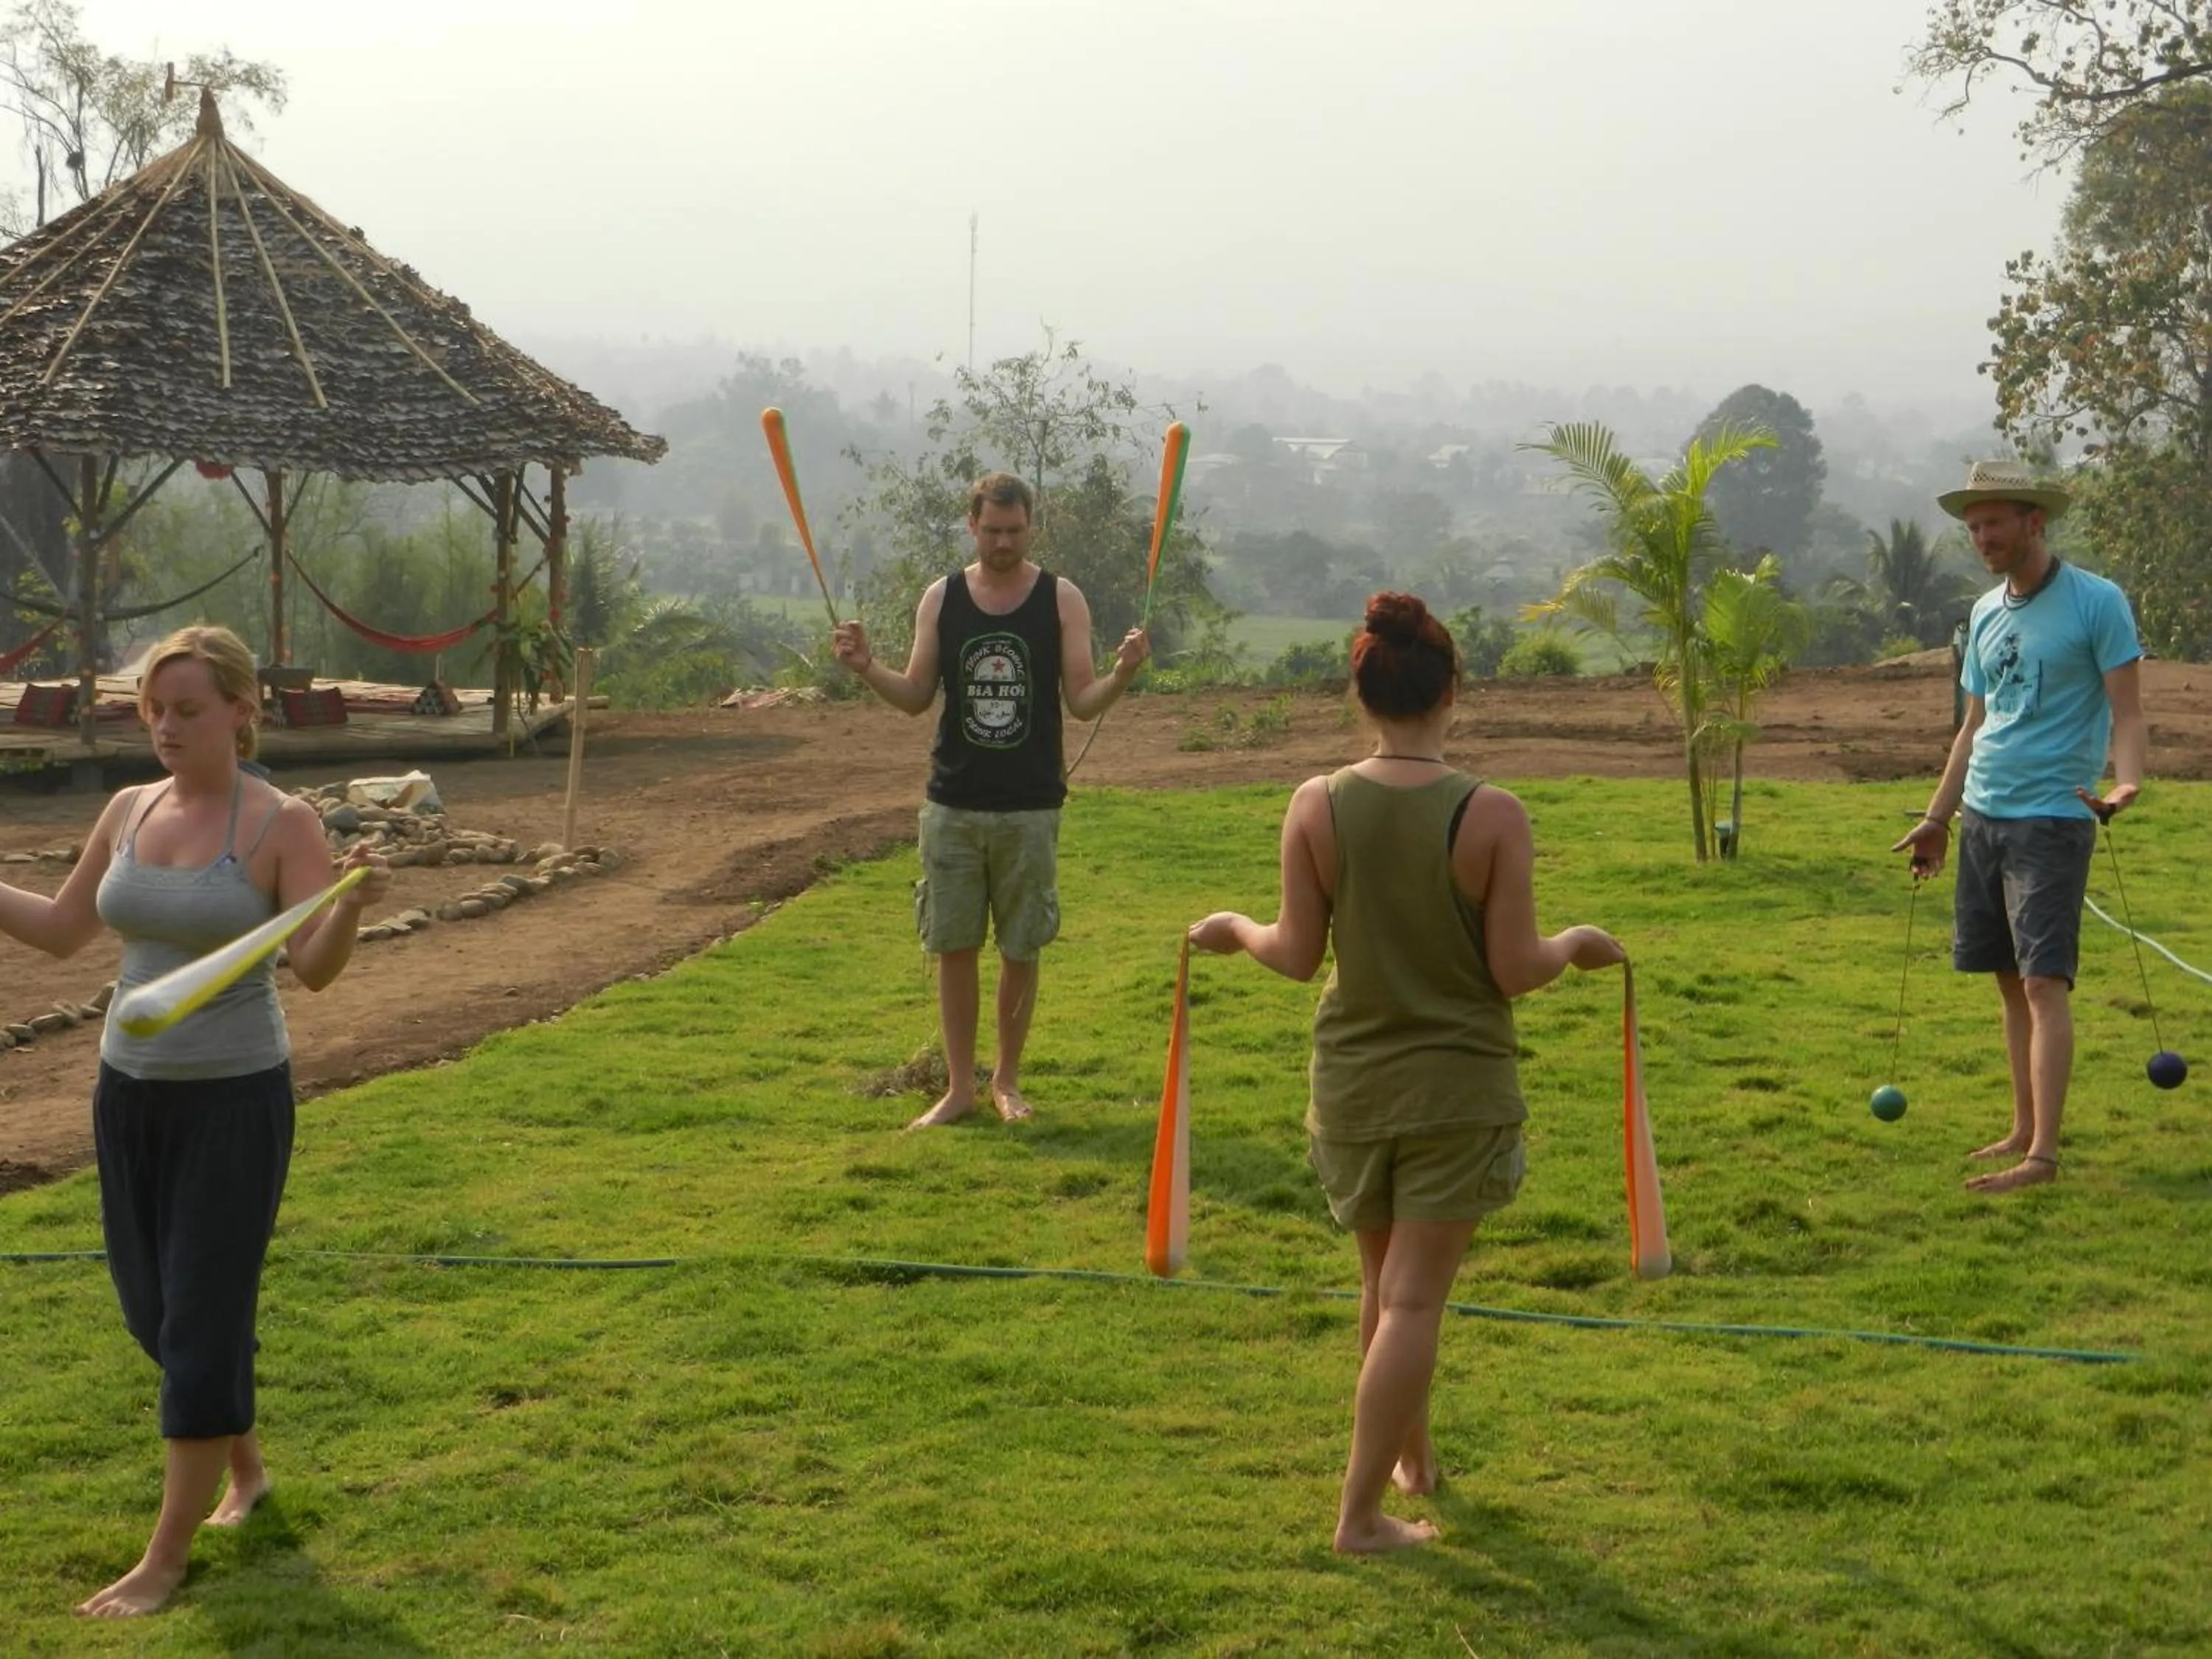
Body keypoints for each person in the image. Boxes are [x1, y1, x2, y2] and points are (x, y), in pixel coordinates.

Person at [1187, 592, 1624, 1554]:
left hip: (1352, 1090)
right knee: (1415, 1299)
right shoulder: (1492, 813)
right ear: (1452, 692)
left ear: (1363, 694)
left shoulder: (1316, 802)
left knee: (1384, 1288)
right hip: (1456, 1093)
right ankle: (1360, 1517)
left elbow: (1294, 952)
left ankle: (1413, 1464)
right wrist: (1576, 944)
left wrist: (1235, 928)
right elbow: (1516, 967)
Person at [0, 625, 389, 1617]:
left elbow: (313, 965)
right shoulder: (129, 808)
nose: (166, 728)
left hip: (233, 1100)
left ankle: (165, 1560)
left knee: (202, 1318)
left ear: (240, 713)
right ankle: (247, 1471)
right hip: (128, 1093)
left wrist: (350, 904)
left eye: (187, 710)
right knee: (156, 1312)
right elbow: (62, 931)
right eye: (154, 711)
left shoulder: (280, 824)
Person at [832, 473, 1149, 1130]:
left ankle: (1006, 1081)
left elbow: (1082, 701)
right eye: (993, 530)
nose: (1004, 543)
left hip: (1030, 805)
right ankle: (959, 1088)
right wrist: (866, 668)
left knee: (1021, 948)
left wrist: (1121, 674)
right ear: (972, 526)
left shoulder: (1061, 598)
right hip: (953, 802)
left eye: (1016, 531)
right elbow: (916, 695)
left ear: (1031, 527)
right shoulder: (942, 598)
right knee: (954, 946)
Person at [1891, 461, 2146, 1195]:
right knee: (2009, 982)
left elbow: (2128, 712)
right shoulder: (1984, 613)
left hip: (2052, 818)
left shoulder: (2097, 602)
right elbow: (1974, 725)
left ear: (2036, 521)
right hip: (1984, 815)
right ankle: (2021, 1127)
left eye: (1994, 523)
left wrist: (2126, 781)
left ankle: (2043, 1157)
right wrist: (1938, 818)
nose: (1982, 538)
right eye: (1973, 527)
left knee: (2042, 982)